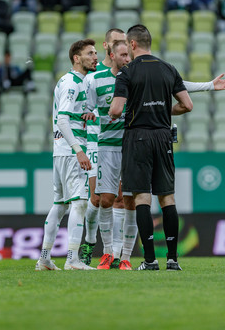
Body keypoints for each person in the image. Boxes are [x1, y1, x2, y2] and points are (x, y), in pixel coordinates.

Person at [109, 24, 193, 271]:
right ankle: (173, 259)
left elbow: (115, 110)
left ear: (132, 45)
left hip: (138, 137)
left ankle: (149, 260)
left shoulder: (127, 72)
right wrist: (160, 109)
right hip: (163, 137)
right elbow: (187, 105)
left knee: (141, 196)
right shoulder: (168, 69)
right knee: (167, 196)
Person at [35, 39, 98, 271]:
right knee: (80, 202)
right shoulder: (72, 83)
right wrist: (79, 150)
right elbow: (62, 119)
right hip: (72, 151)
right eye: (90, 53)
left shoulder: (70, 81)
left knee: (60, 204)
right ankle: (72, 259)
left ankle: (44, 258)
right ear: (76, 58)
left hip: (60, 151)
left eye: (95, 53)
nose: (95, 57)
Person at [78, 29, 127, 267]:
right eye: (117, 41)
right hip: (96, 140)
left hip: (118, 141)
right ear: (108, 46)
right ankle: (88, 241)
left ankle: (115, 253)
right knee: (97, 198)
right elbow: (81, 108)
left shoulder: (127, 72)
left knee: (118, 198)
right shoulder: (92, 75)